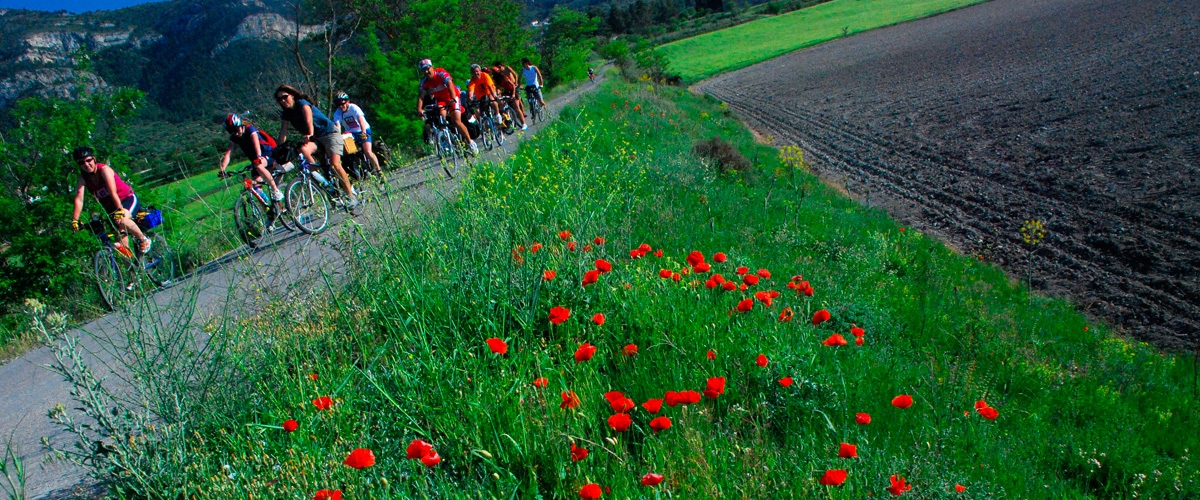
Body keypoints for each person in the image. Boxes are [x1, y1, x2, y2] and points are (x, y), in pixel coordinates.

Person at [275, 84, 357, 206]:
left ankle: (351, 195)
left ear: (291, 95)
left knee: (335, 164)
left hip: (329, 134)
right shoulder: (286, 113)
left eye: (285, 97)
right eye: (279, 99)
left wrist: (309, 133)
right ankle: (319, 175)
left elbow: (309, 119)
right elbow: (283, 132)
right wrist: (278, 149)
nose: (282, 101)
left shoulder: (302, 103)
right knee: (303, 151)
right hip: (316, 139)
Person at [69, 146, 152, 254]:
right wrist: (75, 220)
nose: (86, 164)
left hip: (126, 199)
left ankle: (143, 239)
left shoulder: (104, 170)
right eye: (81, 162)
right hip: (110, 208)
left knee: (122, 221)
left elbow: (112, 192)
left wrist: (120, 210)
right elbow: (79, 199)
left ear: (94, 159)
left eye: (88, 160)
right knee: (120, 245)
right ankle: (132, 269)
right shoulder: (82, 177)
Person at [218, 114, 285, 203]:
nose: (236, 133)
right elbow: (229, 153)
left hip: (268, 153)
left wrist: (258, 156)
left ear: (241, 125)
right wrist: (222, 169)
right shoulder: (234, 137)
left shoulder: (250, 129)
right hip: (255, 161)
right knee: (256, 188)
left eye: (237, 129)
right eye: (232, 131)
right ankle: (269, 209)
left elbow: (256, 142)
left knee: (259, 166)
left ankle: (275, 190)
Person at [416, 59, 478, 154]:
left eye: (428, 69)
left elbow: (449, 85)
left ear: (432, 67)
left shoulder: (440, 73)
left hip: (452, 96)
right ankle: (447, 137)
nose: (426, 72)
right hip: (441, 100)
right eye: (423, 70)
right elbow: (421, 96)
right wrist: (419, 109)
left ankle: (470, 143)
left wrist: (453, 98)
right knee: (441, 118)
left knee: (456, 120)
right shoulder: (424, 82)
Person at [332, 91, 382, 176]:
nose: (341, 106)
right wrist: (337, 137)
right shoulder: (337, 113)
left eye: (343, 103)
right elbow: (338, 126)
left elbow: (361, 120)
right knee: (350, 152)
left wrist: (363, 132)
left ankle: (379, 171)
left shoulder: (354, 108)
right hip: (351, 133)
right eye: (338, 105)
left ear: (347, 102)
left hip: (363, 129)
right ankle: (359, 171)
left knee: (368, 152)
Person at [489, 61, 527, 130]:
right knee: (502, 105)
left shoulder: (504, 76)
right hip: (506, 91)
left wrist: (513, 93)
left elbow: (512, 84)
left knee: (516, 106)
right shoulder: (497, 81)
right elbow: (498, 88)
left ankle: (524, 124)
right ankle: (507, 120)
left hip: (513, 90)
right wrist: (497, 95)